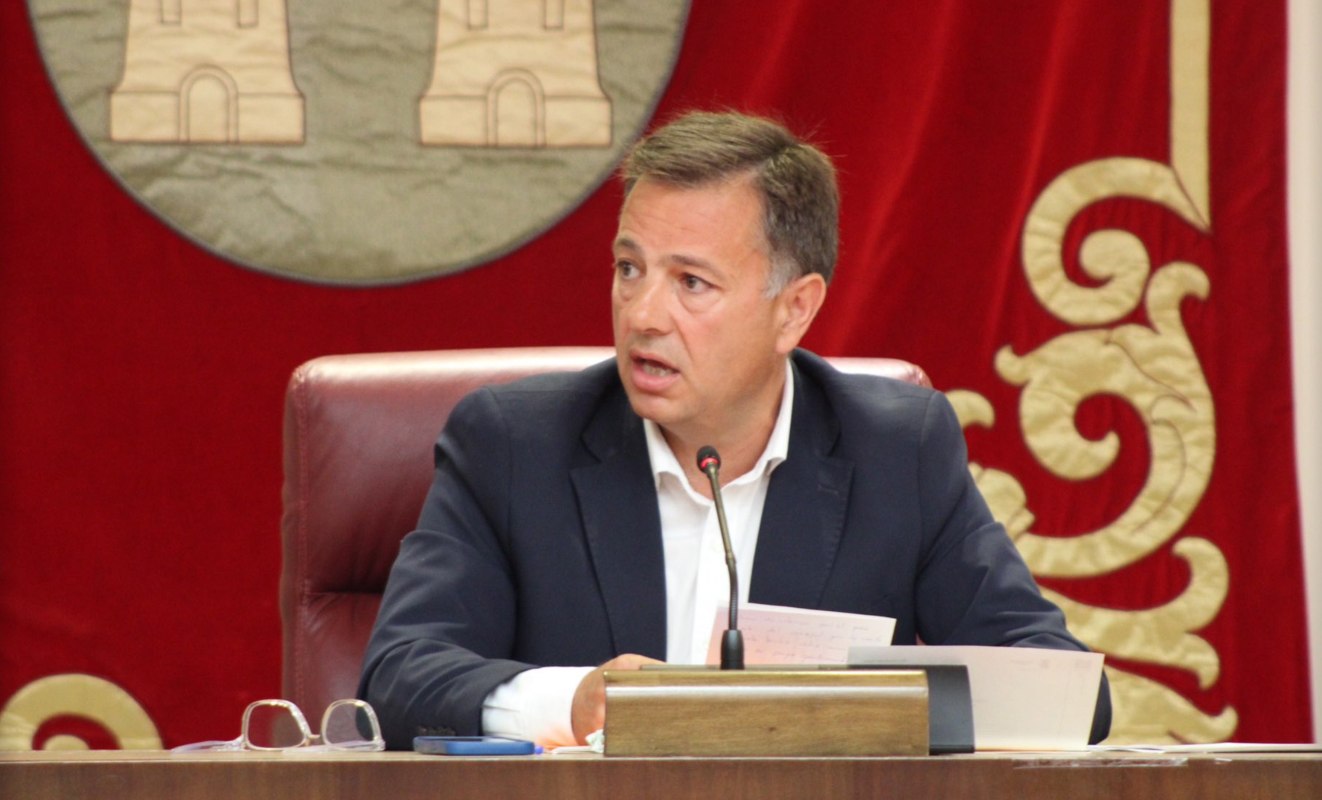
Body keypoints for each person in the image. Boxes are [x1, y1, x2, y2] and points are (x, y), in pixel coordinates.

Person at [358, 110, 1111, 749]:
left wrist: (852, 712)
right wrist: (575, 701)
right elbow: (398, 675)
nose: (644, 314)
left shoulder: (895, 451)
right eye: (630, 269)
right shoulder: (516, 445)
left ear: (796, 309)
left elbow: (1069, 691)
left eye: (691, 283)